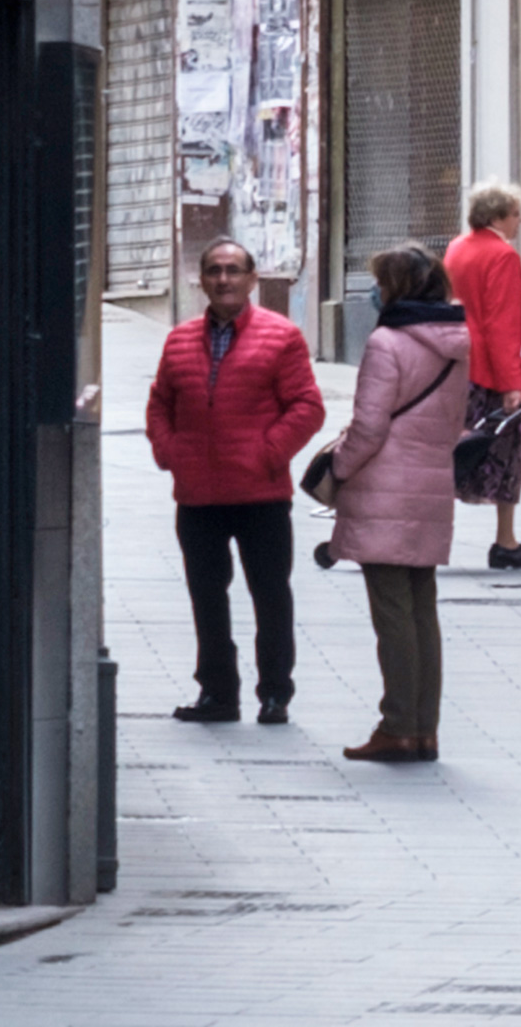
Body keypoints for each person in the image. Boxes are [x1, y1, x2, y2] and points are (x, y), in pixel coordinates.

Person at [146, 237, 326, 726]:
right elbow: (161, 402)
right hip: (198, 494)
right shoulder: (179, 339)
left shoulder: (281, 336)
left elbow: (307, 407)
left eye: (233, 270)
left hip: (260, 494)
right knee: (206, 595)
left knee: (269, 593)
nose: (223, 279)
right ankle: (218, 693)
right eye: (214, 270)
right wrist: (169, 451)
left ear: (252, 279)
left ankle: (275, 693)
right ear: (201, 279)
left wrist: (266, 453)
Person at [331, 243, 473, 764]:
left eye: (379, 282)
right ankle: (423, 728)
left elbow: (369, 427)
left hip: (384, 489)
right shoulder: (455, 343)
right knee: (420, 611)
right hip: (430, 484)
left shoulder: (388, 342)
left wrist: (339, 469)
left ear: (394, 288)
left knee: (392, 613)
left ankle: (397, 726)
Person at [445, 183, 521, 570]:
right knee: (508, 453)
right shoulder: (502, 255)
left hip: (461, 366)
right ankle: (505, 540)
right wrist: (511, 384)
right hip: (489, 371)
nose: (520, 220)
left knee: (451, 448)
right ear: (498, 216)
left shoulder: (457, 248)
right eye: (516, 213)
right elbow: (501, 322)